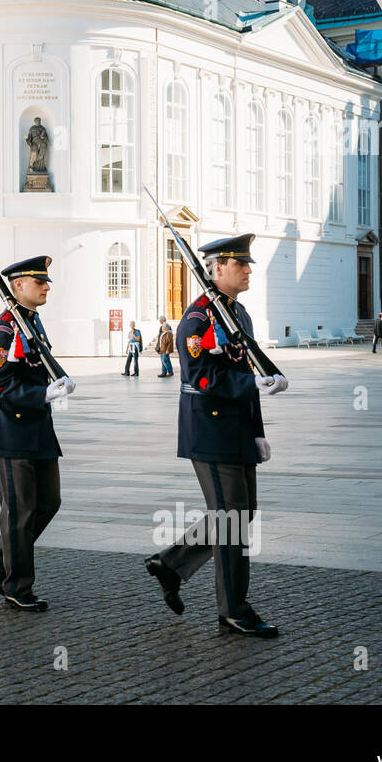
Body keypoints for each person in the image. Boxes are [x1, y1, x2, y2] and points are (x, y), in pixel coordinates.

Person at [144, 233, 288, 638]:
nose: (247, 269)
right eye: (239, 264)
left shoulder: (237, 314)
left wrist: (258, 425)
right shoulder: (197, 319)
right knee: (231, 519)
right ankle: (233, 610)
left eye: (247, 264)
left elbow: (248, 367)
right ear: (217, 268)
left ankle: (170, 564)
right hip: (209, 429)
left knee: (241, 514)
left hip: (238, 429)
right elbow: (202, 376)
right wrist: (252, 387)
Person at [0, 255, 75, 612]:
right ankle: (17, 586)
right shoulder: (3, 330)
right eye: (39, 281)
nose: (47, 286)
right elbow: (0, 388)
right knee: (20, 511)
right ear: (17, 285)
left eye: (46, 281)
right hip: (10, 432)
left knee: (48, 502)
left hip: (37, 431)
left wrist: (59, 378)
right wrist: (44, 394)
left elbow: (40, 362)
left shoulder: (31, 321)